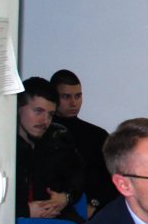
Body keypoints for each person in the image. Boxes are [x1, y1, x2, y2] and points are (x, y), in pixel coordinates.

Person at [16, 77, 85, 223]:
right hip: (13, 223)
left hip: (59, 218)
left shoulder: (59, 138)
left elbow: (78, 178)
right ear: (18, 107)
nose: (45, 121)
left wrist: (65, 197)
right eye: (38, 111)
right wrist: (26, 211)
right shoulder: (0, 146)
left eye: (50, 114)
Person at [50, 69, 116, 214]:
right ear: (53, 97)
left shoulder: (97, 135)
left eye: (78, 96)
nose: (73, 103)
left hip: (92, 212)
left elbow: (115, 177)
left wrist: (94, 203)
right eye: (66, 96)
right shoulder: (41, 133)